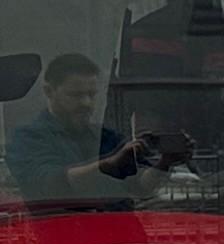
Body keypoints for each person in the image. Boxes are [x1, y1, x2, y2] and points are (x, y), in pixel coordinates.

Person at [11, 52, 187, 205]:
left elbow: (140, 187)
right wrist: (109, 165)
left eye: (91, 95)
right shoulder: (28, 138)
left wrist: (165, 162)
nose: (86, 103)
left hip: (125, 236)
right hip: (66, 237)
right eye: (76, 95)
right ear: (49, 91)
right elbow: (52, 185)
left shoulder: (107, 137)